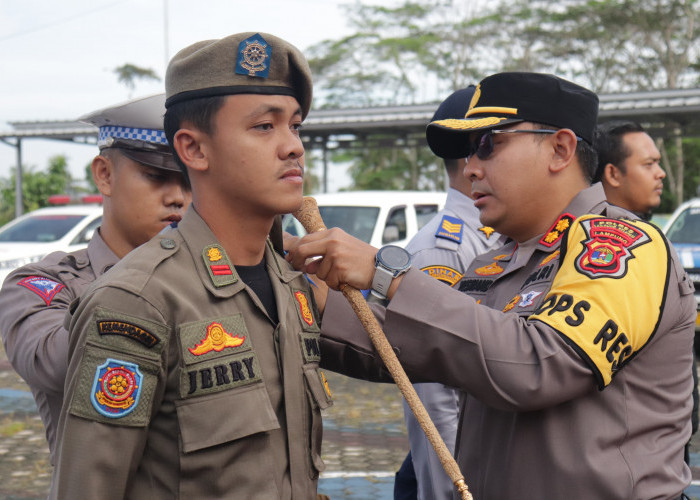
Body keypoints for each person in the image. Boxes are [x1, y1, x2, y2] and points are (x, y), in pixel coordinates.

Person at [288, 72, 696, 498]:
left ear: (560, 149)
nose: (471, 168)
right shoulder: (495, 262)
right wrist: (293, 283)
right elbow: (404, 345)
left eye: (488, 145)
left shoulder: (621, 244)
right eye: (468, 151)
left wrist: (384, 272)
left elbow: (539, 364)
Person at [51, 32, 331, 500]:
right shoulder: (139, 301)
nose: (293, 147)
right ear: (194, 149)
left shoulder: (290, 285)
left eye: (295, 126)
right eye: (265, 126)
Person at [0, 93, 190, 467]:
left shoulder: (215, 271)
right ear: (105, 174)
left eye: (189, 181)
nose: (177, 197)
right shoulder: (46, 284)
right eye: (156, 176)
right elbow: (55, 365)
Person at [396, 85, 503, 500]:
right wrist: (450, 491)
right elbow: (435, 396)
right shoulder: (444, 247)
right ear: (471, 159)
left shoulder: (502, 234)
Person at [593, 120, 665, 219]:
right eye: (649, 164)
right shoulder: (593, 232)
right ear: (613, 174)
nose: (661, 173)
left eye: (658, 163)